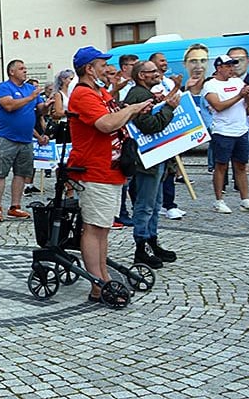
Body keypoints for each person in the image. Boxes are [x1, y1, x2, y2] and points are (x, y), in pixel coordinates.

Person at [67, 47, 153, 305]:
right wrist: (133, 109)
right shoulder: (83, 94)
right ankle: (97, 284)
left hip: (110, 168)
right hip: (94, 169)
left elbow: (115, 113)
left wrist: (133, 109)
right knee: (94, 228)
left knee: (102, 228)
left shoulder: (99, 91)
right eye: (102, 64)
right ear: (88, 69)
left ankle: (102, 276)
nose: (107, 68)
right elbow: (106, 124)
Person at [123, 61, 182, 269]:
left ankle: (152, 241)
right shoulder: (137, 95)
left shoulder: (143, 93)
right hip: (146, 158)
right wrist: (168, 108)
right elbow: (150, 126)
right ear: (142, 76)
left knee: (155, 204)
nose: (158, 74)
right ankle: (141, 248)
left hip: (155, 157)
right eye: (153, 71)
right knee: (145, 205)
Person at [203, 55, 249, 213]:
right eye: (228, 66)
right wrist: (239, 95)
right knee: (221, 166)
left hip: (241, 129)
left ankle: (245, 199)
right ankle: (219, 200)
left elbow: (248, 105)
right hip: (223, 131)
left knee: (241, 165)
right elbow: (218, 106)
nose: (232, 68)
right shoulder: (210, 85)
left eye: (232, 65)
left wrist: (248, 95)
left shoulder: (237, 81)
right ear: (219, 68)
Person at [0, 61, 40, 222]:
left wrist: (47, 105)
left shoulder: (29, 89)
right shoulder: (4, 87)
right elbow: (9, 105)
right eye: (21, 69)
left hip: (25, 138)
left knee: (21, 174)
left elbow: (40, 108)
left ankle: (15, 207)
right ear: (11, 72)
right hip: (6, 137)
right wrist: (30, 98)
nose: (25, 71)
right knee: (0, 172)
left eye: (25, 68)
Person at [149, 53, 187, 220]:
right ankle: (163, 204)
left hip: (171, 127)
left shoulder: (169, 81)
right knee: (161, 170)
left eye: (165, 60)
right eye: (161, 61)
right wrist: (176, 88)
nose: (165, 63)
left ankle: (169, 203)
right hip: (158, 129)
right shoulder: (153, 84)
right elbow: (163, 102)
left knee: (171, 169)